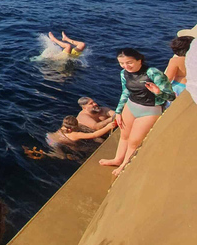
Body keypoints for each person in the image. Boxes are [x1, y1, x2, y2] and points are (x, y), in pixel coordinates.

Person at [99, 48, 175, 177]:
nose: (125, 66)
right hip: (131, 106)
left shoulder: (153, 73)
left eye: (129, 62)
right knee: (124, 135)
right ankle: (118, 159)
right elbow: (125, 92)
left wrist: (158, 92)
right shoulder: (124, 73)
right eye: (122, 63)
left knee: (134, 141)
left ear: (139, 60)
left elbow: (171, 97)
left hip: (149, 110)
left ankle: (124, 165)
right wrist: (118, 111)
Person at [49, 116, 114, 145]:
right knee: (62, 156)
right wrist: (108, 127)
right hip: (55, 144)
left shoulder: (62, 128)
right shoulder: (76, 134)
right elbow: (94, 135)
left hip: (50, 137)